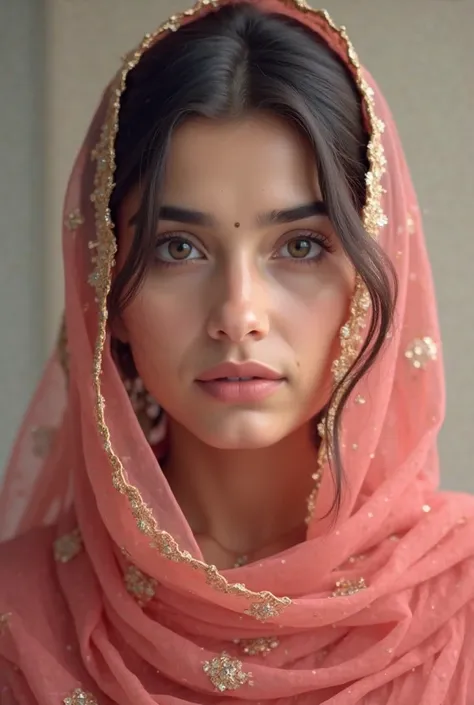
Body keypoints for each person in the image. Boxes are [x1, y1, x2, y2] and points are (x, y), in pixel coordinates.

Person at [1, 0, 473, 702]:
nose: (238, 314)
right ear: (106, 286)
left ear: (373, 279)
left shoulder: (459, 603)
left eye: (302, 245)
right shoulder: (20, 616)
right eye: (178, 248)